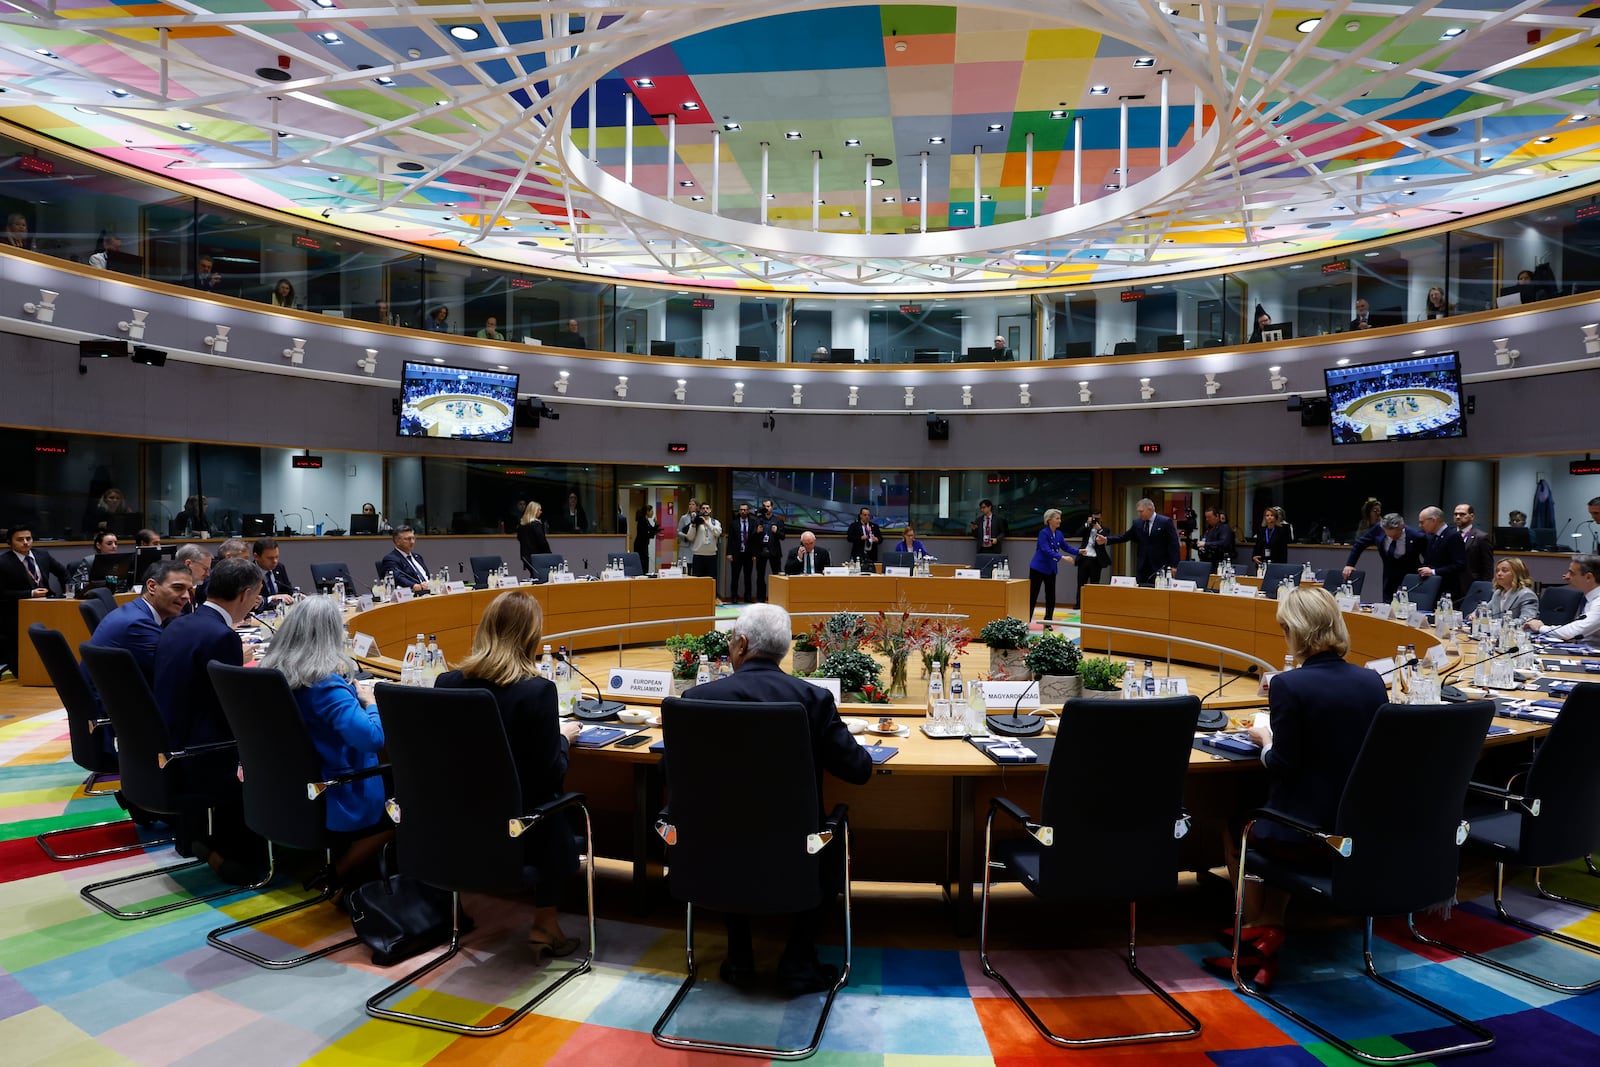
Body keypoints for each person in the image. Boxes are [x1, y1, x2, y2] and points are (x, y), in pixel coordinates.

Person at [683, 602, 872, 994]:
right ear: (784, 650)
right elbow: (858, 770)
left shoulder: (697, 698)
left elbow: (677, 773)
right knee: (833, 832)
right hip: (797, 854)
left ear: (741, 643)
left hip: (713, 851)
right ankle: (798, 961)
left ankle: (739, 958)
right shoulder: (813, 699)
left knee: (728, 824)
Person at [1208, 586, 1389, 987]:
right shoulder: (1371, 681)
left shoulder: (1289, 685)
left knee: (1239, 822)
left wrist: (1265, 739)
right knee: (1281, 819)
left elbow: (1283, 767)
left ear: (1294, 630)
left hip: (1308, 835)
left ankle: (1255, 932)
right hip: (1356, 830)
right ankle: (1270, 926)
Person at [434, 592, 584, 956]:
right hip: (520, 834)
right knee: (555, 806)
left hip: (455, 830)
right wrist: (563, 739)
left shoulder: (446, 684)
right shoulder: (536, 691)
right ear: (532, 637)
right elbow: (552, 775)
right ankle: (545, 923)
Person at [258, 596, 391, 885]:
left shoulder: (269, 674)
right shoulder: (325, 684)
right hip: (339, 793)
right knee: (411, 796)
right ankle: (339, 874)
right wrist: (370, 703)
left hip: (285, 789)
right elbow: (372, 739)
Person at [151, 556, 267, 882]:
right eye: (256, 596)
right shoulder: (221, 637)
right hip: (203, 753)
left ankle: (199, 839)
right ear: (244, 594)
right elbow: (230, 708)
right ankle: (238, 860)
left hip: (169, 739)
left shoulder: (179, 623)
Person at [88, 560, 194, 680]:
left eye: (188, 590)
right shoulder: (137, 624)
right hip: (114, 697)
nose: (186, 596)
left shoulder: (137, 610)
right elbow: (173, 672)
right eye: (178, 588)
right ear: (152, 586)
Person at [1, 523, 71, 675]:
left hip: (48, 604)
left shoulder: (42, 555)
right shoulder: (3, 562)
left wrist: (69, 590)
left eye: (28, 538)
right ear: (10, 542)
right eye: (20, 539)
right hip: (18, 611)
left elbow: (63, 572)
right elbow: (3, 593)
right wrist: (30, 593)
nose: (26, 542)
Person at [1097, 498, 1180, 585]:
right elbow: (1125, 537)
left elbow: (1173, 544)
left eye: (1141, 511)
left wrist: (1175, 565)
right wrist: (1106, 539)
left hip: (1160, 565)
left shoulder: (1165, 522)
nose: (1139, 514)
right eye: (1138, 512)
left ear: (1150, 509)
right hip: (1142, 564)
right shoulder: (1137, 523)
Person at [1342, 513, 1424, 601]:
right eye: (1389, 536)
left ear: (1402, 527)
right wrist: (1350, 564)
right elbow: (1359, 544)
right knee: (1387, 605)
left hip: (1410, 576)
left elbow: (1427, 556)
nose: (1392, 538)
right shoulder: (1378, 529)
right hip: (1389, 576)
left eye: (1396, 536)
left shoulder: (1416, 536)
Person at [1525, 555, 1600, 642]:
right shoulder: (1589, 598)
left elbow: (1572, 632)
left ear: (1588, 577)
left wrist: (1540, 627)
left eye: (1571, 573)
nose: (1566, 577)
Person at [1027, 508, 1079, 622]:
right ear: (1049, 520)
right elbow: (1045, 549)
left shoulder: (1059, 534)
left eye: (1060, 518)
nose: (1059, 521)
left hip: (1051, 569)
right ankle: (1027, 620)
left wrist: (1078, 551)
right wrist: (1062, 557)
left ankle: (1048, 621)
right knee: (1032, 595)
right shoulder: (1043, 533)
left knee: (1051, 596)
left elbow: (1066, 547)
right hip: (1038, 568)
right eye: (1057, 518)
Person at [1416, 505, 1468, 601]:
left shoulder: (1453, 536)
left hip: (1448, 589)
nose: (1420, 526)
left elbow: (1460, 564)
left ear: (1433, 520)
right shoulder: (1431, 537)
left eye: (1422, 522)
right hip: (1431, 587)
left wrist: (1433, 572)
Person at [1486, 558, 1539, 624]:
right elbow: (1484, 611)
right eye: (1497, 571)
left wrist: (1497, 622)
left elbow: (1527, 621)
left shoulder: (1526, 595)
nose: (1499, 574)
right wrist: (1475, 615)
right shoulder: (1498, 593)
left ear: (1517, 573)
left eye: (1504, 570)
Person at [379, 525, 430, 593]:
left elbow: (427, 576)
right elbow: (397, 577)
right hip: (411, 595)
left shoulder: (417, 557)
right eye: (408, 539)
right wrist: (413, 586)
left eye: (413, 538)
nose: (412, 542)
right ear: (397, 541)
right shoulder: (390, 559)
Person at [1452, 503, 1494, 586]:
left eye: (1462, 514)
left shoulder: (1481, 537)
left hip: (1470, 583)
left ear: (1472, 516)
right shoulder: (1450, 534)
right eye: (1455, 514)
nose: (1458, 517)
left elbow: (1487, 566)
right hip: (1451, 581)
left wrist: (1484, 586)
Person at [726, 502, 757, 602]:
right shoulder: (733, 523)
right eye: (741, 510)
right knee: (735, 576)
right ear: (739, 511)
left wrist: (754, 554)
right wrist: (729, 553)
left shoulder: (753, 523)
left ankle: (748, 596)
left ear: (748, 511)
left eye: (745, 510)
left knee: (748, 576)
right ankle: (734, 596)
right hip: (736, 553)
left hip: (748, 554)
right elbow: (730, 539)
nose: (743, 511)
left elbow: (754, 539)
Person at [754, 498, 784, 601]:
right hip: (761, 551)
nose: (766, 508)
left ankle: (777, 598)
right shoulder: (758, 520)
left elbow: (783, 536)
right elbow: (752, 536)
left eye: (768, 506)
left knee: (777, 576)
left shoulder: (778, 520)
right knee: (760, 576)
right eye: (764, 506)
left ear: (772, 507)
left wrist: (776, 532)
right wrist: (757, 531)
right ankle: (761, 599)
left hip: (774, 551)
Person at [1074, 508, 1106, 606]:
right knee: (1081, 582)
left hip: (1096, 559)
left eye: (1097, 519)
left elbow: (1106, 537)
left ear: (1101, 518)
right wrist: (1087, 524)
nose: (1095, 521)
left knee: (1094, 583)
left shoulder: (1103, 529)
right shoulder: (1086, 528)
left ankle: (1093, 604)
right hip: (1084, 557)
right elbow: (1076, 534)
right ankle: (1079, 604)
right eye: (1094, 519)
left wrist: (1099, 529)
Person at [686, 501, 721, 581]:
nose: (705, 510)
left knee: (711, 581)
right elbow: (690, 537)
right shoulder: (696, 522)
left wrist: (707, 524)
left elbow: (718, 533)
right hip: (698, 555)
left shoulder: (715, 522)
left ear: (710, 510)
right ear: (700, 510)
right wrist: (693, 525)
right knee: (697, 581)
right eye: (703, 508)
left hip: (711, 556)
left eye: (707, 508)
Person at [253, 536, 294, 605]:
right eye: (270, 558)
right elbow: (253, 601)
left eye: (277, 557)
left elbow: (288, 590)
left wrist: (296, 595)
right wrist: (271, 598)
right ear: (256, 556)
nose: (275, 561)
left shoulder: (279, 567)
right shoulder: (249, 572)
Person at [175, 542, 211, 611]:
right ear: (188, 564)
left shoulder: (189, 590)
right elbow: (180, 621)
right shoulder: (175, 592)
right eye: (205, 569)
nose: (208, 574)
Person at [632, 503, 658, 575]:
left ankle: (644, 575)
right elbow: (647, 534)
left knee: (645, 563)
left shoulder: (646, 521)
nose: (652, 513)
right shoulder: (642, 521)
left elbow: (651, 530)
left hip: (644, 544)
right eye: (651, 511)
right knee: (643, 564)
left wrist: (656, 524)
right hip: (640, 545)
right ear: (647, 512)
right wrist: (653, 532)